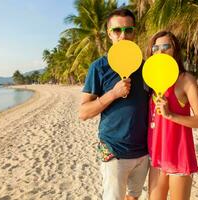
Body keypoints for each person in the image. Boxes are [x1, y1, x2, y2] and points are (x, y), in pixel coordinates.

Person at [79, 8, 149, 200]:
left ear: (135, 33)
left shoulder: (145, 67)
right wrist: (113, 93)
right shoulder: (99, 67)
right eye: (117, 30)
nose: (123, 36)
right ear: (109, 34)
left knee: (133, 197)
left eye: (129, 30)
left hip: (143, 151)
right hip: (113, 150)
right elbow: (83, 112)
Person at [146, 31, 198, 200]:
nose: (160, 52)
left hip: (178, 155)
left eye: (166, 47)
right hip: (157, 156)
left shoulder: (186, 80)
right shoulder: (151, 80)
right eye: (155, 47)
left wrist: (171, 115)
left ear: (175, 50)